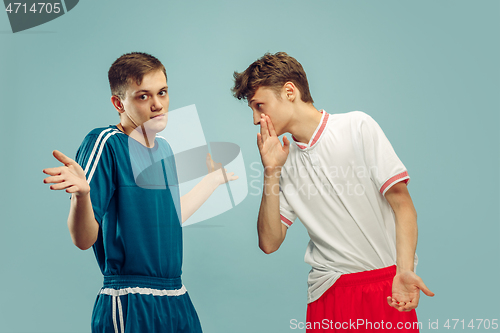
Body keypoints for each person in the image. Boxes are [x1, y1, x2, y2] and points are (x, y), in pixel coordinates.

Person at [231, 52, 434, 332]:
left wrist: (405, 270)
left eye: (259, 105)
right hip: (329, 293)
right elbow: (269, 242)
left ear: (290, 91)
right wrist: (271, 172)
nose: (256, 119)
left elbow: (403, 205)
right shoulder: (282, 161)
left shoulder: (357, 127)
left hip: (388, 287)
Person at [43, 52, 237, 333]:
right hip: (130, 300)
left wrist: (211, 181)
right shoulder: (106, 143)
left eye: (162, 92)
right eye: (143, 96)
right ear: (118, 103)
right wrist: (82, 196)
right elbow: (84, 240)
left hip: (176, 296)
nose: (158, 104)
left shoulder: (166, 150)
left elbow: (171, 215)